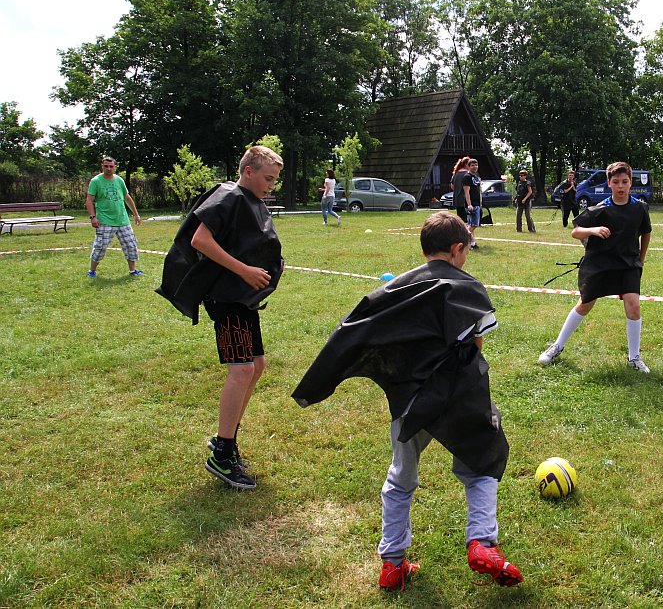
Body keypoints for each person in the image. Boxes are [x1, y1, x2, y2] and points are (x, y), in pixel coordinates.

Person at [292, 212, 523, 591]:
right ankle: (482, 542)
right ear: (457, 249)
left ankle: (392, 563)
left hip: (411, 400)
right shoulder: (468, 287)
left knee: (401, 478)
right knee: (482, 461)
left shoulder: (398, 288)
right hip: (458, 396)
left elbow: (359, 328)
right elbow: (476, 345)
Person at [156, 145, 285, 490]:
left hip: (243, 299)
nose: (271, 185)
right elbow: (200, 240)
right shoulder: (229, 194)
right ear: (248, 171)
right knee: (241, 368)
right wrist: (244, 271)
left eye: (275, 179)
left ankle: (225, 440)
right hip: (226, 297)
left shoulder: (249, 200)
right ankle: (223, 455)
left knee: (256, 366)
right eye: (268, 178)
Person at [539, 161, 653, 372]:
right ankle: (556, 347)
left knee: (633, 305)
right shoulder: (599, 209)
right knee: (585, 304)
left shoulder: (639, 207)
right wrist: (593, 230)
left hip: (628, 264)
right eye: (616, 182)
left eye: (625, 182)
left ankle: (634, 358)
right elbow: (575, 232)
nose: (621, 186)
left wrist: (641, 259)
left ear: (631, 183)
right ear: (609, 183)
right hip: (600, 264)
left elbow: (646, 233)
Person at [86, 156, 143, 278]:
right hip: (105, 221)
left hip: (123, 220)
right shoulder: (96, 181)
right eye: (106, 166)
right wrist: (93, 217)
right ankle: (92, 271)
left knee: (130, 245)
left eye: (111, 166)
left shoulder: (119, 180)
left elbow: (127, 197)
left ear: (115, 167)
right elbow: (89, 200)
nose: (108, 168)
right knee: (100, 247)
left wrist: (136, 214)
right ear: (102, 166)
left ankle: (133, 270)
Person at [459, 158, 482, 249]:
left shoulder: (476, 177)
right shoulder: (467, 177)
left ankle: (472, 243)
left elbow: (478, 191)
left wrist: (480, 202)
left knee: (472, 224)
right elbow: (467, 192)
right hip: (472, 205)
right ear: (468, 167)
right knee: (474, 225)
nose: (475, 167)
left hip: (477, 203)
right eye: (472, 165)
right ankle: (462, 238)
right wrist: (469, 205)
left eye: (476, 165)